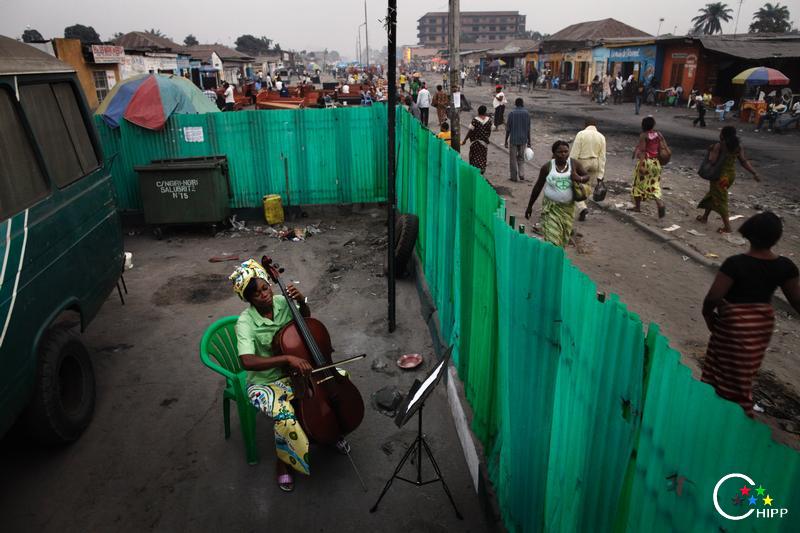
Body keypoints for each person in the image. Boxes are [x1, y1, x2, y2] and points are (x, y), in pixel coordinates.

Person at [701, 212, 800, 417]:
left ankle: (725, 412)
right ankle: (735, 407)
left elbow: (714, 296)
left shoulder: (735, 264)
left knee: (721, 368)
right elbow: (797, 300)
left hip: (733, 324)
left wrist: (708, 315)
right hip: (760, 327)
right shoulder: (786, 267)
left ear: (749, 234)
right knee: (744, 371)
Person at [230, 259, 313, 492]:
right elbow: (247, 361)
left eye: (265, 288)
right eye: (256, 294)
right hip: (263, 383)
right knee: (286, 416)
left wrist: (300, 300)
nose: (264, 295)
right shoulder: (245, 322)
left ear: (270, 284)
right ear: (248, 299)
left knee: (334, 380)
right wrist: (287, 358)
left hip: (292, 373)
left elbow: (305, 322)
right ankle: (284, 464)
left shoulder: (282, 302)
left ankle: (327, 431)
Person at [524, 140, 589, 247]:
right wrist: (529, 206)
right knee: (552, 239)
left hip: (567, 210)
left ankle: (557, 260)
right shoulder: (547, 167)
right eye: (560, 152)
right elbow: (538, 187)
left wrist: (579, 178)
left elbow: (587, 176)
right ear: (554, 153)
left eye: (566, 151)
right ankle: (551, 260)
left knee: (562, 240)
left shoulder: (574, 164)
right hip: (551, 209)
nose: (563, 154)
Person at [697, 126, 760, 233]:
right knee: (714, 195)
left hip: (719, 176)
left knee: (721, 200)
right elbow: (744, 162)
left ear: (723, 134)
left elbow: (712, 161)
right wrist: (754, 172)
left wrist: (710, 151)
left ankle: (727, 227)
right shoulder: (738, 146)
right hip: (730, 175)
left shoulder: (719, 145)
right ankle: (704, 217)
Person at [570, 118, 607, 221]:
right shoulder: (601, 137)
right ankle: (583, 209)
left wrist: (571, 167)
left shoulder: (581, 134)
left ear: (585, 124)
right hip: (595, 163)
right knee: (587, 188)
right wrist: (601, 175)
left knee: (575, 187)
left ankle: (582, 208)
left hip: (583, 162)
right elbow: (602, 157)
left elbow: (574, 153)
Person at [631, 116, 667, 218]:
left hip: (646, 162)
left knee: (637, 184)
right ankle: (660, 203)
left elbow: (643, 151)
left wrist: (641, 165)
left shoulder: (644, 135)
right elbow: (663, 147)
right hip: (656, 163)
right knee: (654, 185)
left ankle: (637, 207)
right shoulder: (658, 134)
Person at [504, 97, 531, 182]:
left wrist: (505, 141)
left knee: (513, 159)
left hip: (513, 139)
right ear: (522, 103)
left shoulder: (511, 114)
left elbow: (508, 129)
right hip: (523, 139)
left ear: (515, 104)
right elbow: (528, 128)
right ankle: (521, 174)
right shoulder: (527, 114)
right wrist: (529, 140)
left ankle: (513, 177)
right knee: (521, 157)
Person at [461, 105, 493, 174]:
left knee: (474, 156)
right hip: (484, 143)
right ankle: (482, 169)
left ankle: (473, 170)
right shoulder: (489, 120)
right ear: (485, 112)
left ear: (478, 112)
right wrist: (486, 137)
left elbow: (470, 131)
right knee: (482, 156)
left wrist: (465, 140)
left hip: (475, 142)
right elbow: (490, 130)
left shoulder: (475, 120)